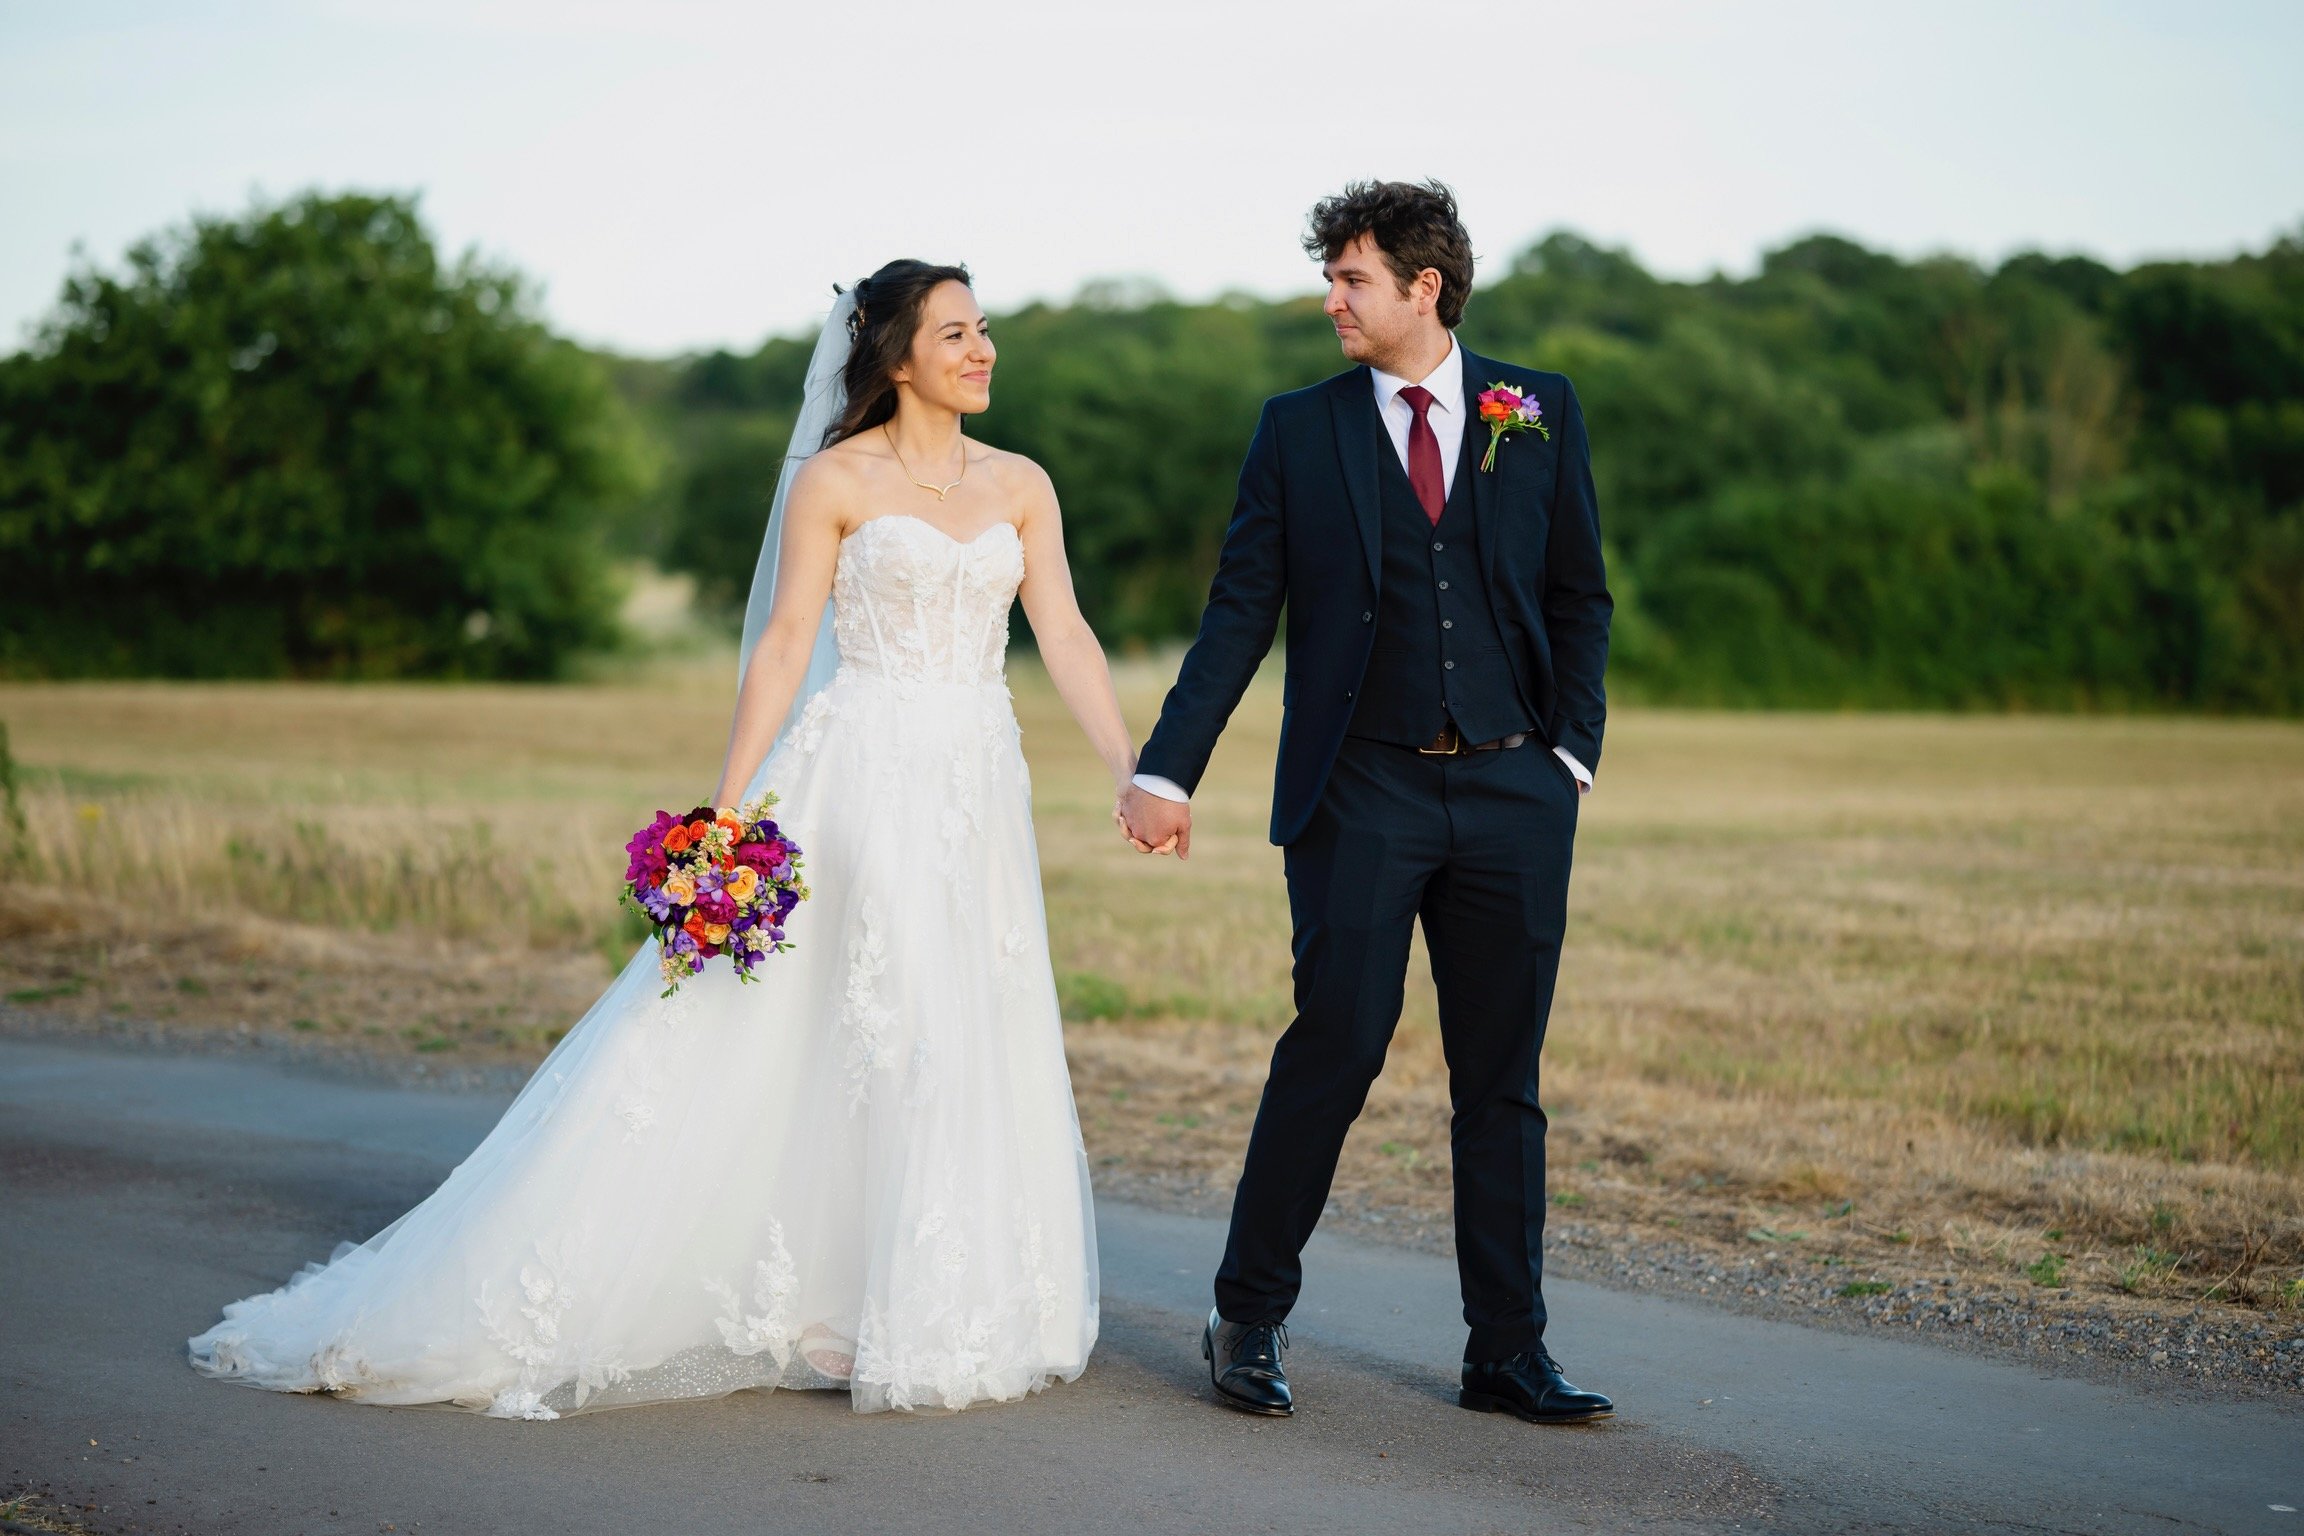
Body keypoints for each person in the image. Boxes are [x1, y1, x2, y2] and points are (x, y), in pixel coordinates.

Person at [189, 261, 1136, 1418]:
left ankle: (932, 1291)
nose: (983, 350)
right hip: (858, 769)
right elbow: (786, 645)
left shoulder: (1022, 484)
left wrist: (1134, 773)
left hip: (979, 780)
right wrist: (725, 820)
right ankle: (831, 1304)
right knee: (874, 1021)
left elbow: (1069, 633)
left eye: (984, 330)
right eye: (956, 333)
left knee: (962, 1015)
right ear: (895, 358)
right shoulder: (836, 479)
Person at [1119, 181, 1617, 1424]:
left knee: (1501, 1079)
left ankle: (1506, 1349)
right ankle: (1247, 1316)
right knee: (1335, 1046)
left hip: (1514, 785)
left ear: (1423, 288)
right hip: (1362, 789)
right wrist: (1167, 766)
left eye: (1351, 280)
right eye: (1330, 278)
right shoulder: (1299, 428)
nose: (1330, 299)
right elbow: (1242, 612)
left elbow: (1580, 596)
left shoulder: (1536, 410)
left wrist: (1570, 760)